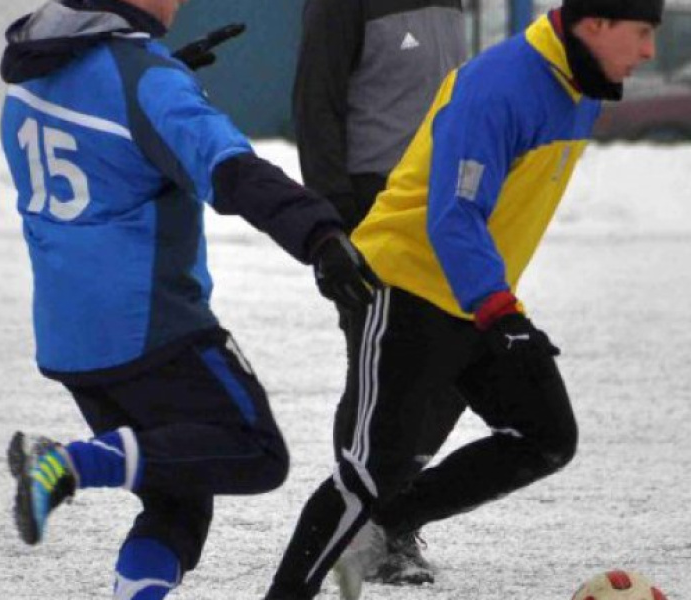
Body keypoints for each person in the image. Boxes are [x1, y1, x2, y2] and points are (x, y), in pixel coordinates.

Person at [264, 0, 662, 598]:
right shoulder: (500, 86)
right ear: (596, 25)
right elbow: (454, 216)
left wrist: (495, 302)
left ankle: (389, 523)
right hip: (406, 286)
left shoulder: (581, 85)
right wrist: (498, 308)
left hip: (473, 293)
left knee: (546, 436)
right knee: (375, 469)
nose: (650, 51)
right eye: (643, 33)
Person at [0, 1, 380, 598]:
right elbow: (231, 170)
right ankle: (68, 462)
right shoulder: (145, 81)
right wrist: (320, 235)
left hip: (69, 335)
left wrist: (160, 81)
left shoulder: (34, 72)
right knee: (255, 451)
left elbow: (100, 134)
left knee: (179, 496)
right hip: (150, 327)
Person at [292, 0, 469, 587]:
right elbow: (315, 102)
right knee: (382, 380)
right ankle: (365, 530)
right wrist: (331, 221)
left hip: (448, 206)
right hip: (374, 205)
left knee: (460, 372)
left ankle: (389, 513)